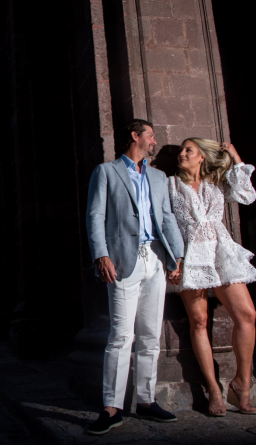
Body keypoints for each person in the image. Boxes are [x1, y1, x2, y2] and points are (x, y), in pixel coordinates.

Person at [85, 119, 185, 435]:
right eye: (151, 135)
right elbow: (95, 215)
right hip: (122, 261)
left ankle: (145, 400)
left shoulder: (158, 177)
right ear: (135, 136)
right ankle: (112, 408)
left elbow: (166, 217)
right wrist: (101, 255)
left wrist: (176, 256)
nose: (154, 141)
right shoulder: (106, 172)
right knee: (120, 335)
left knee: (151, 334)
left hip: (155, 258)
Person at [167, 138, 256, 416]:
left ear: (202, 158)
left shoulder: (216, 184)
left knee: (247, 315)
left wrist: (236, 157)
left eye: (188, 150)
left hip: (220, 253)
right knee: (199, 321)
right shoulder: (170, 185)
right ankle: (214, 390)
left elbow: (247, 195)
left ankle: (241, 383)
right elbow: (164, 222)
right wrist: (175, 260)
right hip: (190, 256)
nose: (182, 154)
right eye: (182, 150)